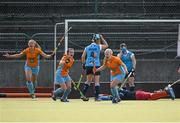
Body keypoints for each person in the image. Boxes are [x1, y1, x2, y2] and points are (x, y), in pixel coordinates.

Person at [81, 34, 108, 101]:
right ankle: (96, 97)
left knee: (88, 81)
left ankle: (83, 94)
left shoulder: (87, 47)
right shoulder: (99, 46)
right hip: (96, 65)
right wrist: (102, 38)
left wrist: (84, 64)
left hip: (88, 65)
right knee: (96, 82)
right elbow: (107, 45)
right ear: (98, 40)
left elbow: (83, 57)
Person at [99, 84, 175, 101]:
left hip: (137, 95)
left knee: (151, 96)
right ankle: (165, 92)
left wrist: (113, 97)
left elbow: (120, 96)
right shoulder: (119, 91)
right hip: (138, 94)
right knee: (151, 97)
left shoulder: (120, 92)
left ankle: (166, 92)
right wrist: (102, 96)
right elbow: (109, 96)